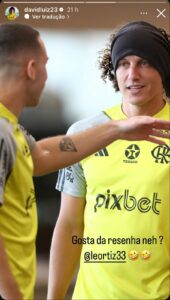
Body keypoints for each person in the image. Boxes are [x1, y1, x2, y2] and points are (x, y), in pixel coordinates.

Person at [1, 23, 168, 300]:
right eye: (123, 63)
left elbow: (42, 155)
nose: (47, 76)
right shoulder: (3, 135)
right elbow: (68, 224)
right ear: (31, 70)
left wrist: (116, 129)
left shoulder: (13, 135)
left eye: (145, 62)